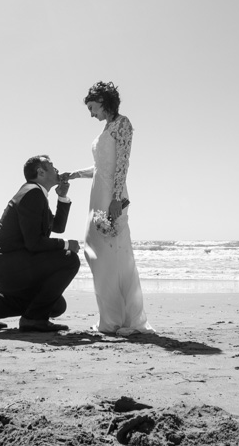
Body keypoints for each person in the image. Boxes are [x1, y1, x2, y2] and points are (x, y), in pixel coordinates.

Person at [66, 81, 153, 335]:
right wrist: (74, 174)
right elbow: (100, 167)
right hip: (97, 197)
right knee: (95, 254)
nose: (91, 114)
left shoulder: (122, 124)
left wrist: (116, 199)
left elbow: (122, 165)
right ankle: (109, 316)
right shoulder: (106, 129)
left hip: (112, 198)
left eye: (93, 108)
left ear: (104, 102)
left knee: (114, 255)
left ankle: (120, 319)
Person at [0, 155, 81, 333]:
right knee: (70, 259)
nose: (57, 170)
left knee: (57, 306)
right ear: (41, 172)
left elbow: (57, 227)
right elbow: (34, 243)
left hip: (9, 268)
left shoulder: (35, 192)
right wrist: (66, 245)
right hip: (7, 269)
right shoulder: (32, 193)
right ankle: (33, 320)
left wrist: (62, 197)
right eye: (52, 166)